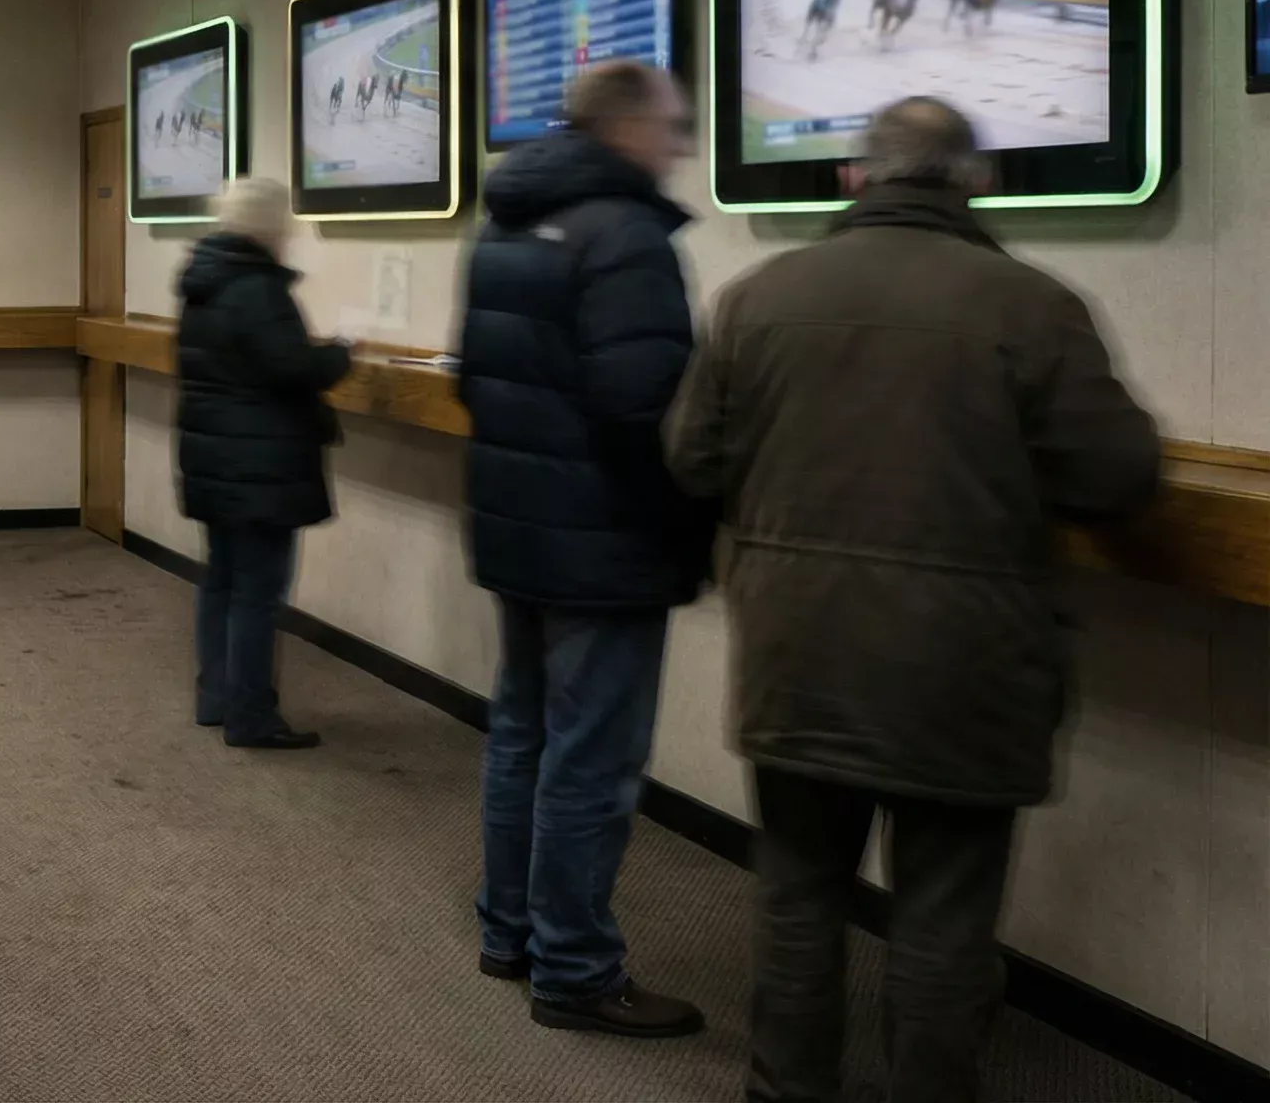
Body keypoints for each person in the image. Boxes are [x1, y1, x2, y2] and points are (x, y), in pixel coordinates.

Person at [666, 98, 1159, 1103]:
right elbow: (1115, 479)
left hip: (797, 650)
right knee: (942, 917)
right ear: (974, 181)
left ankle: (783, 1090)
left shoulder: (757, 297)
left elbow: (689, 458)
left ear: (855, 178)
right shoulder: (1032, 306)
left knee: (798, 894)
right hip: (964, 664)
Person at [457, 59, 709, 1038]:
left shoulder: (504, 224)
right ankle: (573, 971)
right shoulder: (627, 234)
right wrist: (686, 524)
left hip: (518, 527)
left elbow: (477, 380)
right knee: (591, 762)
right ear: (623, 130)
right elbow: (645, 409)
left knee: (520, 734)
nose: (679, 146)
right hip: (606, 541)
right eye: (671, 127)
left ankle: (506, 932)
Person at [174, 175, 354, 750]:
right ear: (271, 225)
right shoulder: (257, 289)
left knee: (221, 582)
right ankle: (251, 716)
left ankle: (216, 699)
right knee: (257, 592)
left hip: (214, 458)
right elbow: (292, 369)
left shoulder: (202, 283)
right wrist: (343, 352)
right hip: (259, 466)